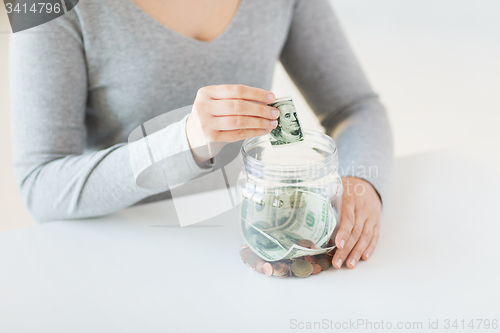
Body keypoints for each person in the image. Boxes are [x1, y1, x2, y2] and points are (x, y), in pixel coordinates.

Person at [10, 0, 393, 269]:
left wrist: (362, 183)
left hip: (248, 247)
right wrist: (185, 143)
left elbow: (355, 106)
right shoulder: (44, 6)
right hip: (121, 258)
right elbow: (40, 185)